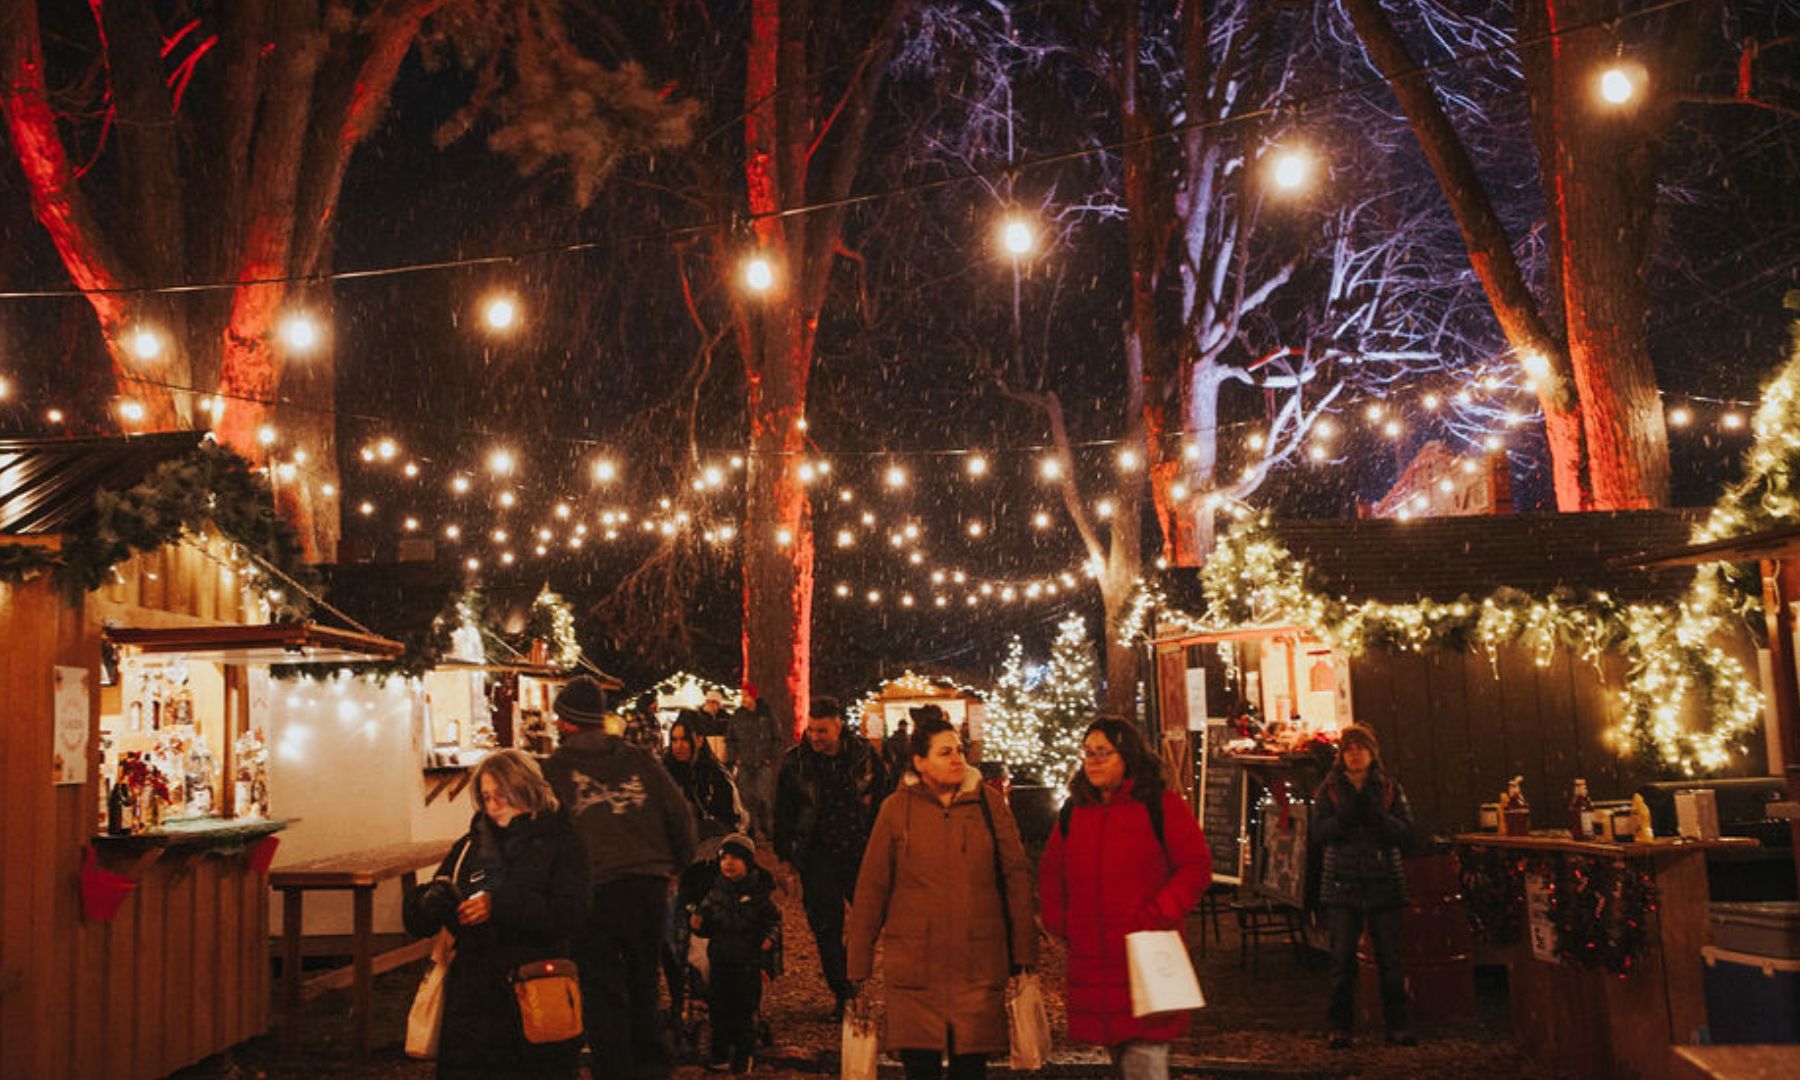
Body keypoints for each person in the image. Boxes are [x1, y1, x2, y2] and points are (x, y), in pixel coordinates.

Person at [846, 706, 1036, 1080]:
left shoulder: (988, 805)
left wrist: (1024, 954)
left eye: (959, 750)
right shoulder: (896, 811)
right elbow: (872, 888)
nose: (957, 759)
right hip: (915, 965)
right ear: (919, 761)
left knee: (970, 1068)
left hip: (977, 963)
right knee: (921, 1068)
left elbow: (1016, 878)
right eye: (945, 752)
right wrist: (858, 964)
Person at [540, 675, 697, 1080]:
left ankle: (617, 1071)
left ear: (568, 722)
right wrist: (674, 866)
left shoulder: (556, 770)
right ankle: (651, 1068)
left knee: (602, 993)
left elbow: (547, 837)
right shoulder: (640, 760)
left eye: (560, 719)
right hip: (647, 887)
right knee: (644, 982)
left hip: (593, 891)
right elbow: (680, 819)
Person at [1039, 717, 1212, 1080]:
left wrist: (1156, 914)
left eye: (1104, 752)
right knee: (1121, 1059)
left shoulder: (1161, 807)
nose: (1093, 760)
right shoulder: (1074, 812)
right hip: (1095, 959)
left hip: (1146, 958)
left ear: (1127, 756)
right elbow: (1052, 870)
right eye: (1088, 752)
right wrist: (1061, 920)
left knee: (1144, 1059)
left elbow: (1195, 867)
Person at [403, 749, 589, 1080]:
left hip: (536, 990)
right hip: (473, 1002)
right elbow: (429, 908)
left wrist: (499, 904)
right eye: (486, 797)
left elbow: (569, 915)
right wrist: (426, 905)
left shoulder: (562, 842)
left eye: (500, 794)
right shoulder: (469, 846)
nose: (493, 805)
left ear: (526, 788)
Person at [772, 694, 887, 1018]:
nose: (815, 738)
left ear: (839, 727)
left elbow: (883, 800)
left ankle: (853, 976)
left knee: (868, 922)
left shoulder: (865, 757)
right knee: (826, 929)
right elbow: (783, 812)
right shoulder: (795, 763)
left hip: (860, 853)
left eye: (822, 731)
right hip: (817, 857)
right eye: (811, 730)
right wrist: (787, 855)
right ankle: (844, 992)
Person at [1311, 723, 1416, 1050]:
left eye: (1361, 748)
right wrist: (1344, 818)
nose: (1355, 754)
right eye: (1349, 749)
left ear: (1372, 753)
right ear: (1341, 755)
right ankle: (1340, 1027)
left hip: (1383, 881)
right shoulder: (1328, 790)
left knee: (1390, 961)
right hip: (1342, 884)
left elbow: (1406, 833)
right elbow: (1318, 834)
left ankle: (1398, 1026)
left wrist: (1375, 817)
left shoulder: (1387, 789)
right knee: (1342, 962)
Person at [690, 833, 781, 1074]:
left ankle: (744, 1054)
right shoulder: (715, 893)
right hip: (720, 959)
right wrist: (697, 924)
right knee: (719, 1009)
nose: (728, 863)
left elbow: (773, 920)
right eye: (724, 858)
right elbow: (706, 926)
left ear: (748, 862)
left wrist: (768, 940)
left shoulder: (758, 894)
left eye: (735, 858)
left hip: (747, 961)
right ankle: (719, 1053)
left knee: (744, 1010)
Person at [666, 711, 747, 838]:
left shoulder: (715, 775)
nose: (678, 746)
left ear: (699, 740)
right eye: (674, 740)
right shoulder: (666, 773)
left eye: (684, 740)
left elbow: (732, 817)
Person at [725, 684, 782, 837]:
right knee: (746, 799)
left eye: (745, 696)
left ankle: (766, 828)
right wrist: (734, 757)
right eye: (742, 696)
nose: (742, 699)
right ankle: (750, 830)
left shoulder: (767, 715)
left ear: (753, 697)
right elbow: (730, 739)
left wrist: (771, 756)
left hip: (762, 763)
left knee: (763, 798)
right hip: (744, 763)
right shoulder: (737, 716)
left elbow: (777, 738)